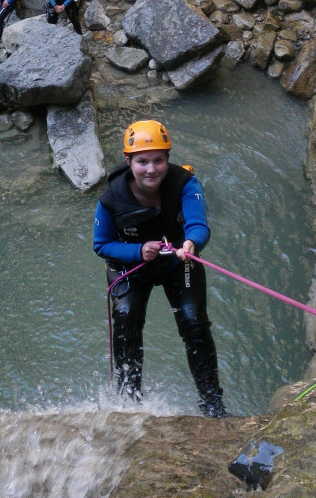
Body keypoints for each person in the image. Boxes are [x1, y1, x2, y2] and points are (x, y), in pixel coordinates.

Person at [93, 120, 227, 418]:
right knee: (126, 320)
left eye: (159, 160)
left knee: (194, 322)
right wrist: (137, 251)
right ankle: (129, 403)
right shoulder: (111, 198)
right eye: (142, 161)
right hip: (130, 265)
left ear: (168, 159)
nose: (151, 169)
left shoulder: (185, 183)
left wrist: (192, 244)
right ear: (129, 162)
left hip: (177, 259)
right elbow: (101, 245)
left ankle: (212, 405)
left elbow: (197, 224)